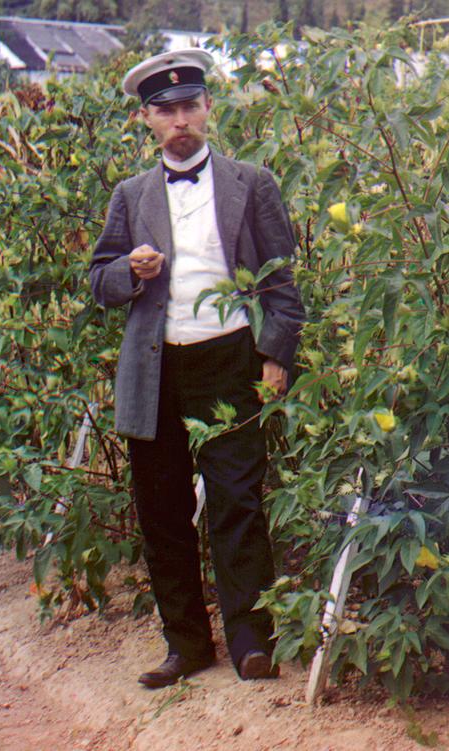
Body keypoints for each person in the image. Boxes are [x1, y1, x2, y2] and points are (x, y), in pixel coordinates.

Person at [89, 49, 305, 688]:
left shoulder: (252, 183)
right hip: (155, 369)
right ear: (147, 120)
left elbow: (281, 282)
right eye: (166, 110)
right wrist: (130, 270)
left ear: (209, 109)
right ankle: (186, 645)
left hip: (230, 361)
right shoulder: (130, 195)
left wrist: (274, 357)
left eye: (190, 106)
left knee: (238, 502)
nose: (180, 119)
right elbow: (99, 280)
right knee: (161, 508)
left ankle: (251, 642)